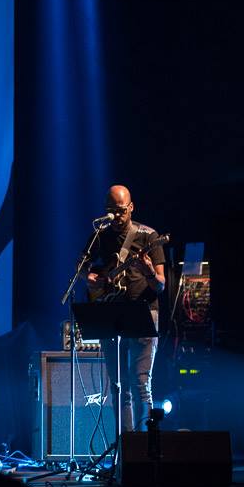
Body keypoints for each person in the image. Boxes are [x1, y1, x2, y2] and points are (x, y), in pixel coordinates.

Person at [85, 184, 165, 432]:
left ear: (131, 207)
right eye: (111, 211)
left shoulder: (149, 236)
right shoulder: (101, 235)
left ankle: (146, 445)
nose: (116, 217)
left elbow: (161, 285)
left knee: (141, 382)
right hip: (112, 312)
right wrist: (90, 279)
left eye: (120, 211)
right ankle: (126, 446)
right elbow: (85, 269)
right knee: (118, 385)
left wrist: (149, 271)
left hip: (143, 312)